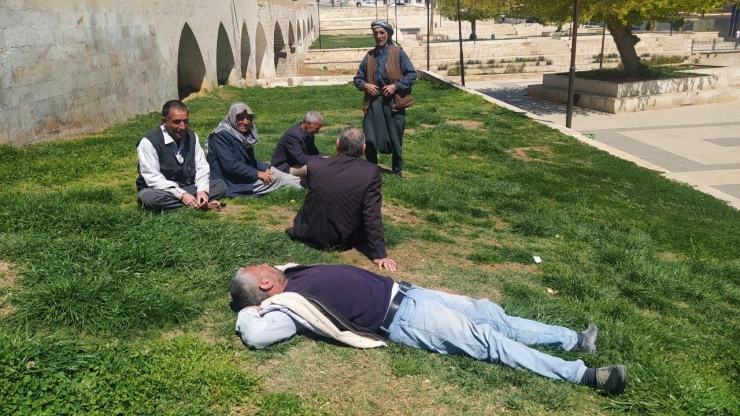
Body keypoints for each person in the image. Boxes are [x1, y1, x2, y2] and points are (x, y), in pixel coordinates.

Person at [230, 263, 628, 395]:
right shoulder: (286, 306)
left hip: (411, 292)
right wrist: (249, 309)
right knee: (488, 341)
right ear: (264, 286)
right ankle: (586, 375)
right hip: (407, 319)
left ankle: (574, 339)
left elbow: (274, 271)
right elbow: (257, 334)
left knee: (490, 313)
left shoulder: (290, 275)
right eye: (260, 269)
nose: (267, 265)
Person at [286, 127, 397, 271]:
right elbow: (372, 213)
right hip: (340, 238)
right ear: (363, 149)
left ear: (337, 144)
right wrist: (379, 253)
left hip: (306, 232)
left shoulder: (315, 165)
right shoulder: (370, 172)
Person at [136, 100, 226, 211]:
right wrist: (181, 195)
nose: (182, 127)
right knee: (148, 197)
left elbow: (201, 166)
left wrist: (202, 190)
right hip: (160, 190)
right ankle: (200, 205)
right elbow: (153, 178)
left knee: (220, 185)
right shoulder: (149, 142)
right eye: (177, 122)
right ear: (164, 121)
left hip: (187, 187)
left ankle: (193, 202)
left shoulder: (192, 137)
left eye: (185, 121)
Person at [353, 20, 417, 177]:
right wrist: (366, 86)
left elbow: (412, 74)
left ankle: (397, 171)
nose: (379, 36)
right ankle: (371, 169)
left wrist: (395, 86)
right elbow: (357, 78)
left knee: (395, 137)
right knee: (370, 136)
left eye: (382, 33)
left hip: (393, 102)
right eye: (376, 33)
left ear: (388, 34)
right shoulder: (369, 56)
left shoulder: (398, 52)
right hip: (374, 102)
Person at [206, 102, 302, 197]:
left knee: (275, 172)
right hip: (231, 181)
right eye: (240, 118)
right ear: (232, 118)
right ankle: (305, 188)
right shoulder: (220, 136)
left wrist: (266, 168)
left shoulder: (240, 135)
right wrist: (257, 173)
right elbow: (230, 165)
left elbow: (250, 160)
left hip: (243, 175)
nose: (246, 122)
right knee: (276, 178)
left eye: (248, 118)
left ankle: (303, 182)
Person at [270, 111, 325, 178]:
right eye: (316, 129)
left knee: (324, 164)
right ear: (308, 124)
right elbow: (301, 159)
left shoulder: (309, 134)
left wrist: (327, 158)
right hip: (284, 167)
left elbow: (313, 152)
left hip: (296, 163)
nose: (317, 132)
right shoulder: (293, 135)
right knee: (316, 167)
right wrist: (321, 159)